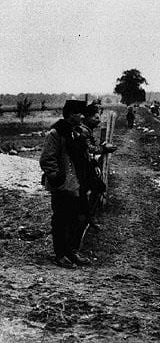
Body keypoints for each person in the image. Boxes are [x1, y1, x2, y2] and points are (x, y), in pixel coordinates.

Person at [40, 100, 92, 268]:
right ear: (70, 114)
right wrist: (58, 179)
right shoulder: (56, 133)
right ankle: (61, 254)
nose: (83, 117)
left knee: (77, 218)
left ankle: (72, 251)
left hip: (77, 183)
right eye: (79, 113)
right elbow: (47, 159)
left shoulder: (77, 133)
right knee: (61, 220)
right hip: (63, 185)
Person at [80, 102, 116, 231]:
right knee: (97, 187)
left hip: (84, 166)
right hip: (80, 168)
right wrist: (103, 148)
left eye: (99, 117)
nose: (98, 120)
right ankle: (88, 216)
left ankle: (87, 215)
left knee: (94, 187)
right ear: (87, 117)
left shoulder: (86, 130)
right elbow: (89, 149)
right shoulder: (83, 131)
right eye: (95, 117)